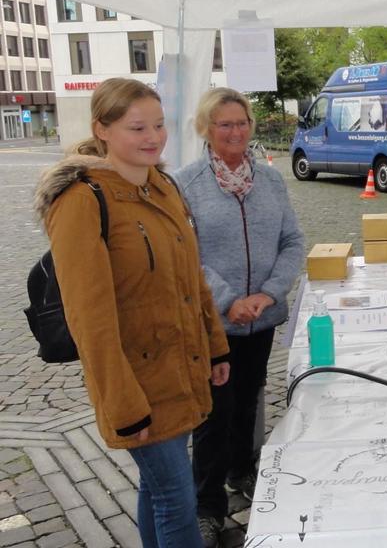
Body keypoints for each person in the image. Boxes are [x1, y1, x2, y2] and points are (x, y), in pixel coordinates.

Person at [36, 78, 230, 548]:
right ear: (102, 129)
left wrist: (216, 346)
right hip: (137, 381)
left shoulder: (163, 185)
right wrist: (121, 402)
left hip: (179, 367)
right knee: (177, 497)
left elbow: (192, 279)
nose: (153, 137)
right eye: (136, 127)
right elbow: (89, 318)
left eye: (159, 125)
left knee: (161, 489)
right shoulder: (82, 200)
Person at [174, 88, 305, 547]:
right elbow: (186, 257)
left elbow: (292, 242)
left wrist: (268, 295)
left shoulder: (270, 182)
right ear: (206, 130)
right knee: (213, 414)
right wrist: (229, 299)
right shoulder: (186, 185)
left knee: (248, 400)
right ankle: (206, 505)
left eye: (242, 122)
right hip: (213, 323)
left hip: (261, 319)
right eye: (224, 124)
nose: (235, 131)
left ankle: (242, 472)